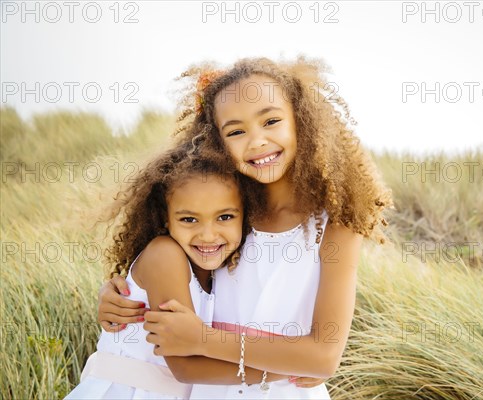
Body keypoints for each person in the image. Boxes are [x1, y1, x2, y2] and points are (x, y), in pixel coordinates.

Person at [97, 56, 392, 399]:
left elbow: (325, 356)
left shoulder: (335, 223)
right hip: (212, 389)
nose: (257, 141)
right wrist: (117, 295)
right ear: (217, 142)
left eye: (271, 121)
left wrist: (204, 339)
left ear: (302, 121)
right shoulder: (226, 215)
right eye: (236, 131)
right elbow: (173, 277)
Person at [66, 141, 289, 399]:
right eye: (189, 219)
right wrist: (285, 370)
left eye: (225, 217)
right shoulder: (165, 255)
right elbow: (185, 366)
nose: (207, 235)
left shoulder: (222, 270)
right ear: (165, 217)